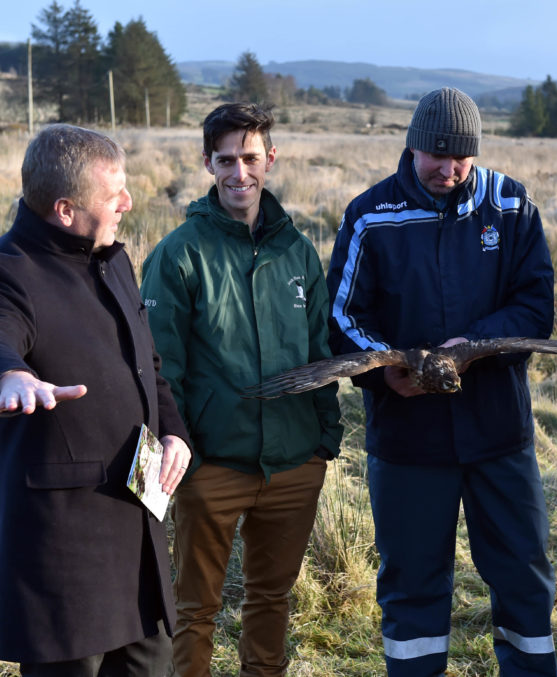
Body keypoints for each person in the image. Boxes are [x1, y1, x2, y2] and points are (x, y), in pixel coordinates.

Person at [327, 87, 557, 676]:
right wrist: (387, 374)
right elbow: (342, 316)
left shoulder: (510, 205)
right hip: (408, 439)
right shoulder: (370, 215)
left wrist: (474, 347)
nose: (448, 170)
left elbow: (534, 307)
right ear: (411, 145)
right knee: (412, 582)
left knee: (522, 575)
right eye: (436, 155)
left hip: (499, 432)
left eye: (462, 159)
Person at [0, 123, 192, 675]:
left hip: (138, 551)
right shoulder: (1, 271)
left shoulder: (112, 260)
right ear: (64, 209)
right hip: (64, 560)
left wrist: (174, 431)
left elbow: (145, 367)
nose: (128, 203)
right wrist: (9, 375)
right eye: (114, 196)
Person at [140, 103, 343, 677]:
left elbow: (319, 353)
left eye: (250, 158)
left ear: (271, 160)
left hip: (294, 465)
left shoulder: (296, 251)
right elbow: (159, 366)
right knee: (194, 607)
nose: (239, 174)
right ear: (207, 163)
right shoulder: (180, 253)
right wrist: (188, 455)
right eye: (226, 160)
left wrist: (324, 439)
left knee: (272, 599)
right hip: (211, 466)